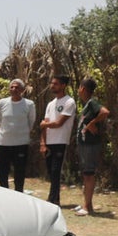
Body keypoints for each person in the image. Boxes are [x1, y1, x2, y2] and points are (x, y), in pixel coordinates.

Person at [74, 78, 110, 217]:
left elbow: (105, 112)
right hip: (85, 144)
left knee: (89, 174)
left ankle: (87, 206)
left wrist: (91, 124)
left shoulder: (92, 103)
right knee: (86, 174)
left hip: (90, 145)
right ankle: (87, 204)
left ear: (82, 88)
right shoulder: (87, 104)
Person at [39, 75, 76, 206]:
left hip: (60, 141)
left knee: (56, 171)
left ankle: (53, 199)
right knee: (50, 171)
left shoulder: (69, 102)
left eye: (55, 84)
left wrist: (45, 125)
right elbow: (45, 123)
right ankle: (55, 198)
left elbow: (59, 123)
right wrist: (42, 143)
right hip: (49, 141)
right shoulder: (51, 104)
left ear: (63, 86)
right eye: (52, 83)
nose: (52, 86)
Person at [0, 79, 36, 192]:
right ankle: (4, 192)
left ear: (22, 90)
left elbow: (31, 121)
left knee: (19, 172)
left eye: (17, 87)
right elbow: (0, 119)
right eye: (12, 87)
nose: (14, 89)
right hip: (4, 143)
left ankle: (19, 193)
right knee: (2, 171)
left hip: (21, 143)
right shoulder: (2, 103)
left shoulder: (29, 104)